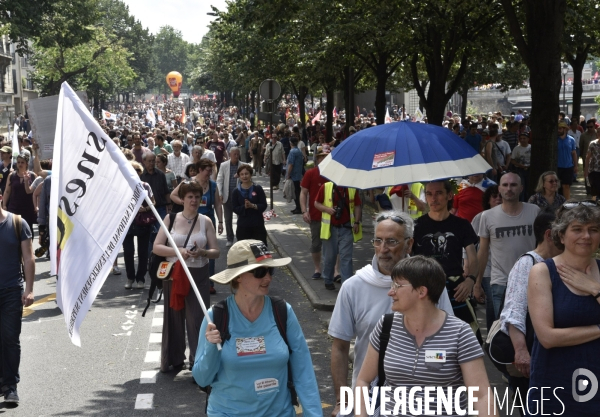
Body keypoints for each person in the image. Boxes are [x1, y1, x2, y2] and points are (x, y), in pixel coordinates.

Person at [328, 212, 453, 417]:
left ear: (409, 244)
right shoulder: (353, 287)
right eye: (378, 241)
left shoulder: (429, 284)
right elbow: (340, 347)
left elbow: (445, 343)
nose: (383, 250)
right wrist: (342, 400)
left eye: (392, 242)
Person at [193, 239, 322, 416]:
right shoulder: (216, 317)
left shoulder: (282, 311)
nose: (267, 277)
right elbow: (202, 378)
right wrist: (210, 346)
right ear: (238, 276)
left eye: (270, 270)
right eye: (260, 272)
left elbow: (304, 371)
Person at [354, 256, 495, 417]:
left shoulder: (460, 333)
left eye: (397, 285)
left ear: (421, 291)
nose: (390, 292)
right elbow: (363, 381)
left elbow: (481, 395)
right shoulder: (386, 326)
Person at [528, 202, 600, 414]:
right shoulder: (542, 272)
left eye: (593, 230)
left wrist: (594, 289)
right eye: (577, 229)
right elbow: (548, 337)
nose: (586, 236)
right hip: (555, 384)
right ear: (561, 235)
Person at [153, 180, 220, 373]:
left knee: (198, 319)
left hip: (199, 274)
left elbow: (216, 251)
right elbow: (157, 247)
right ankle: (173, 359)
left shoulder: (205, 221)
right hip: (174, 273)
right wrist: (178, 250)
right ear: (182, 199)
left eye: (197, 197)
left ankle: (198, 363)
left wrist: (203, 252)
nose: (194, 200)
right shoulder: (170, 219)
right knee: (174, 316)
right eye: (190, 197)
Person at [498, 209, 560, 405]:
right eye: (564, 231)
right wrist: (521, 352)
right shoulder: (528, 264)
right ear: (549, 235)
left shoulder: (557, 264)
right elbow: (513, 312)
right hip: (529, 358)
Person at [413, 180, 480, 340]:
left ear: (450, 195)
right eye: (429, 194)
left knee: (466, 339)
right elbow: (408, 259)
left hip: (457, 290)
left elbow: (473, 257)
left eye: (439, 193)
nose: (433, 198)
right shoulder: (416, 226)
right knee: (427, 338)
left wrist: (470, 280)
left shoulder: (461, 224)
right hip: (425, 290)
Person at [475, 172, 540, 320]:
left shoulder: (534, 211)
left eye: (513, 185)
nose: (509, 188)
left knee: (530, 327)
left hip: (531, 279)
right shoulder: (487, 216)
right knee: (503, 329)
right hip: (501, 282)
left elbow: (542, 245)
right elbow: (483, 251)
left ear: (521, 188)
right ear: (499, 188)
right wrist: (477, 283)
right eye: (505, 185)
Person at [171, 159, 223, 292]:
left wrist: (221, 221)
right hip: (191, 219)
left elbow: (217, 204)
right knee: (191, 248)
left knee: (208, 251)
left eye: (211, 171)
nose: (210, 173)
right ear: (200, 169)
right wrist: (185, 203)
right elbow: (173, 195)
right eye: (207, 171)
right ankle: (187, 278)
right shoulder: (188, 183)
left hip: (207, 220)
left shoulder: (212, 185)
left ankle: (209, 281)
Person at [0, 203, 34, 404]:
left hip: (11, 291)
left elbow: (29, 258)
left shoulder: (18, 223)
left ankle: (10, 386)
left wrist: (30, 289)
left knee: (10, 338)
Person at [314, 182, 362, 290]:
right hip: (330, 228)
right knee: (329, 257)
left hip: (346, 228)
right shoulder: (326, 187)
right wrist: (327, 209)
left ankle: (347, 285)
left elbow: (357, 205)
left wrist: (357, 222)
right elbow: (316, 203)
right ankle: (328, 279)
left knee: (346, 257)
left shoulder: (351, 188)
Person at [470, 185, 502, 331]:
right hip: (487, 267)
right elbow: (471, 245)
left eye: (500, 196)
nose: (498, 199)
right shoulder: (481, 217)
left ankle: (493, 336)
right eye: (494, 196)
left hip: (504, 267)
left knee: (496, 304)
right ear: (488, 200)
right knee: (493, 302)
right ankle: (492, 336)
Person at [123, 162, 155, 289]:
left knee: (143, 252)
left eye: (137, 170)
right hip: (127, 223)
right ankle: (130, 278)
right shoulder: (122, 186)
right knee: (128, 252)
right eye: (132, 169)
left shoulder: (145, 186)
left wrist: (145, 208)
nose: (135, 172)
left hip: (143, 222)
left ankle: (140, 278)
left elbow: (153, 202)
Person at [300, 148, 330, 280]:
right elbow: (303, 193)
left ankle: (335, 271)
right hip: (316, 216)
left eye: (327, 156)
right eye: (322, 157)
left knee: (333, 245)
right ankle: (317, 269)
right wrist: (304, 211)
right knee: (316, 244)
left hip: (334, 217)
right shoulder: (311, 173)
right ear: (318, 159)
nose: (324, 159)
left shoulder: (335, 174)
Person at [216, 147, 248, 247]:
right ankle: (230, 238)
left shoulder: (243, 165)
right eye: (234, 154)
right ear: (230, 155)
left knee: (241, 218)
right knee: (228, 219)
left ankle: (240, 237)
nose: (236, 156)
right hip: (227, 196)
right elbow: (219, 180)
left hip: (240, 197)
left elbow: (252, 173)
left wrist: (242, 176)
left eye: (238, 154)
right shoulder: (224, 165)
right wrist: (220, 193)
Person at [231, 165, 267, 244]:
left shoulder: (257, 188)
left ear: (250, 174)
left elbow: (264, 205)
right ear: (239, 176)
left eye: (246, 174)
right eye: (242, 174)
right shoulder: (236, 191)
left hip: (257, 225)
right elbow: (234, 208)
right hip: (243, 225)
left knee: (260, 252)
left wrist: (253, 206)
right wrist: (244, 207)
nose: (244, 176)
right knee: (245, 252)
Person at [2, 153, 37, 227]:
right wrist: (4, 205)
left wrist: (36, 206)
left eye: (22, 162)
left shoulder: (33, 175)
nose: (20, 164)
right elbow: (7, 191)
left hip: (28, 208)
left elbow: (36, 193)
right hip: (14, 207)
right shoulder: (12, 175)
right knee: (13, 229)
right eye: (18, 162)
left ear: (26, 164)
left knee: (28, 229)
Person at [556, 121, 577, 199]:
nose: (558, 130)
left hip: (568, 166)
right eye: (557, 128)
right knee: (557, 186)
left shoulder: (571, 140)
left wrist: (576, 166)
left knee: (566, 186)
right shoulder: (555, 140)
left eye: (560, 128)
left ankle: (567, 204)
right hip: (557, 167)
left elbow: (574, 153)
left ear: (565, 129)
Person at [510, 133, 531, 201]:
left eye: (524, 138)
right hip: (519, 170)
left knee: (529, 188)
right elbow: (512, 160)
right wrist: (520, 165)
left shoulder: (531, 147)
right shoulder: (516, 148)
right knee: (521, 187)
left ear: (528, 139)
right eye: (521, 138)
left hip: (530, 170)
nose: (522, 140)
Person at [286, 137, 304, 214]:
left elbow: (291, 164)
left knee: (296, 192)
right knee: (297, 191)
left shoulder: (292, 152)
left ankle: (298, 208)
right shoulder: (299, 151)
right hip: (298, 173)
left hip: (294, 175)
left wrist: (288, 174)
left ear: (291, 143)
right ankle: (298, 207)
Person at [584, 134, 600, 199]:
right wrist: (586, 171)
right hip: (594, 171)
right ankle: (593, 206)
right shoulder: (593, 144)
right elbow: (588, 157)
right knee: (595, 192)